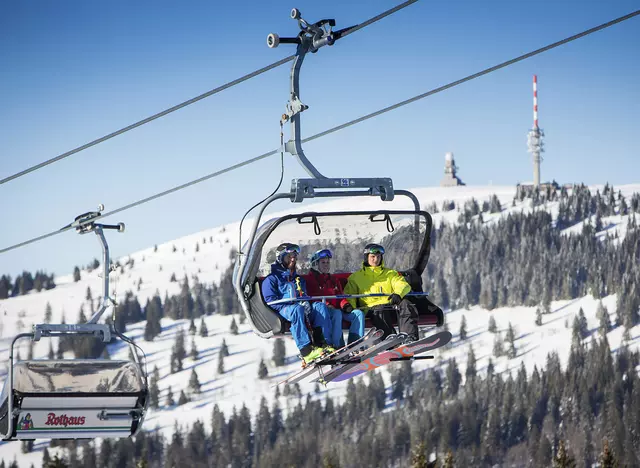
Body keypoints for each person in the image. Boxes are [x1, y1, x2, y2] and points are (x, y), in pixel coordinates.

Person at [261, 243, 335, 364]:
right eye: (289, 256)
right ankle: (306, 351)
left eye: (294, 256)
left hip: (299, 308)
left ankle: (323, 343)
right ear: (281, 258)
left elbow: (304, 295)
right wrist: (292, 306)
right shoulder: (272, 279)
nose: (293, 259)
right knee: (296, 310)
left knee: (320, 306)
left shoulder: (298, 279)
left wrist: (305, 302)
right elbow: (271, 301)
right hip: (283, 310)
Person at [343, 243, 419, 342]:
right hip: (371, 309)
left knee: (406, 304)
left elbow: (403, 284)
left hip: (390, 305)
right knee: (380, 309)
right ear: (366, 258)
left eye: (378, 257)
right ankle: (390, 340)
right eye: (373, 257)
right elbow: (350, 296)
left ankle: (409, 337)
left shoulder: (390, 274)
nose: (376, 259)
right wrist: (352, 310)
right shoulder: (356, 277)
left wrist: (398, 294)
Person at [305, 248, 365, 347]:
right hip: (323, 310)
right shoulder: (311, 280)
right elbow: (313, 297)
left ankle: (356, 343)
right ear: (316, 264)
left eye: (328, 263)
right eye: (323, 262)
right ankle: (337, 345)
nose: (326, 265)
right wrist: (327, 305)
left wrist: (345, 305)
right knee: (337, 314)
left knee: (358, 314)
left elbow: (340, 296)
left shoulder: (333, 279)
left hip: (337, 309)